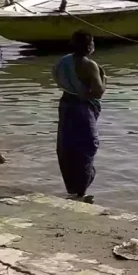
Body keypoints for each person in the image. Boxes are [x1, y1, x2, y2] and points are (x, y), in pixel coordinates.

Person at [53, 30, 105, 201]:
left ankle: (73, 189)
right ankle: (81, 191)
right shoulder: (89, 65)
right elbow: (97, 92)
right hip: (81, 107)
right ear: (89, 46)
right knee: (87, 145)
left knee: (67, 146)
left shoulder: (63, 61)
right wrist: (105, 79)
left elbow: (56, 77)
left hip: (65, 103)